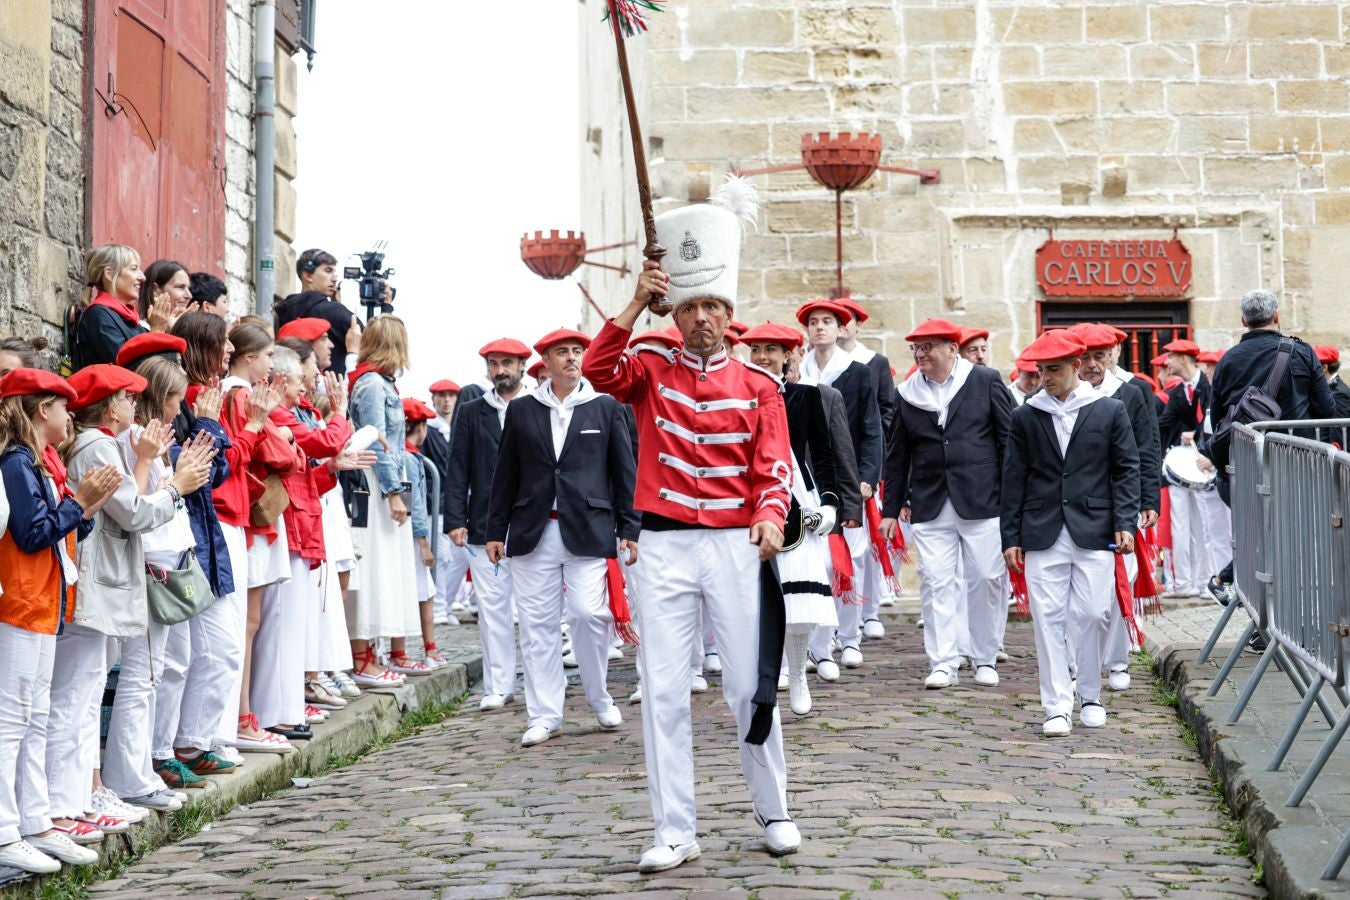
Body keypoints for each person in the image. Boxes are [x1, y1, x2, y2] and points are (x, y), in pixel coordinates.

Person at [582, 175, 799, 873]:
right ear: (675, 314)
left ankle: (774, 809)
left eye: (713, 305)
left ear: (729, 313)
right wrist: (635, 304)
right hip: (665, 546)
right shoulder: (647, 365)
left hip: (736, 546)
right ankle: (674, 828)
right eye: (690, 306)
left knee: (746, 685)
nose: (702, 317)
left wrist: (769, 517)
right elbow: (597, 369)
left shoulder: (760, 386)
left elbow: (774, 467)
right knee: (666, 690)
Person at [53, 364, 211, 826]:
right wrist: (176, 488)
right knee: (78, 696)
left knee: (87, 692)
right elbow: (135, 513)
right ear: (110, 404)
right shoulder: (98, 444)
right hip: (98, 578)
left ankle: (90, 791)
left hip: (104, 576)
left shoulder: (98, 442)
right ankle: (77, 797)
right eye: (126, 397)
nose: (133, 405)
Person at [485, 328, 638, 746]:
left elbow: (624, 472)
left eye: (576, 351)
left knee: (590, 615)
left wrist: (630, 527)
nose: (571, 358)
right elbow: (506, 474)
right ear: (546, 362)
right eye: (561, 353)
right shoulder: (522, 410)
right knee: (537, 626)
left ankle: (599, 695)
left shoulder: (605, 407)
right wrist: (495, 530)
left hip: (588, 528)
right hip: (533, 528)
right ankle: (544, 714)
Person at [0, 369, 120, 873]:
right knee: (12, 720)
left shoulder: (37, 463)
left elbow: (60, 529)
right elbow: (31, 534)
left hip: (44, 601)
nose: (69, 414)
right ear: (38, 410)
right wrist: (79, 503)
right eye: (61, 405)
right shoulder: (16, 463)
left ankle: (34, 820)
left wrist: (83, 506)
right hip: (22, 602)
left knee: (35, 717)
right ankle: (7, 831)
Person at [1001, 330, 1140, 737]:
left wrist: (1124, 522)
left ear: (1077, 367)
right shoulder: (1026, 414)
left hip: (1095, 528)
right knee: (1047, 619)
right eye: (1041, 370)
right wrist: (1010, 536)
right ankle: (1057, 705)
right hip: (1041, 529)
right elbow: (1013, 477)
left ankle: (1091, 694)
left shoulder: (1109, 410)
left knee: (1093, 613)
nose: (1046, 377)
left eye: (1054, 369)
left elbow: (1126, 469)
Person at [111, 358, 223, 796]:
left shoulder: (150, 441)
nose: (180, 407)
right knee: (142, 676)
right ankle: (133, 775)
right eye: (176, 398)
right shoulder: (134, 442)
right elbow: (140, 506)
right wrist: (177, 480)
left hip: (170, 558)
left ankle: (147, 764)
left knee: (160, 671)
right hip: (152, 563)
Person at [880, 319, 1013, 690]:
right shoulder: (906, 393)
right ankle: (943, 660)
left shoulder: (985, 381)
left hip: (983, 499)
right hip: (930, 500)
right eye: (916, 348)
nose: (921, 354)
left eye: (929, 347)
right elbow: (897, 455)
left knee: (986, 578)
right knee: (936, 581)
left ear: (952, 349)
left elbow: (1007, 442)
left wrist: (1011, 497)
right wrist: (890, 509)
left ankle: (984, 657)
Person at [1205, 290, 1337, 596]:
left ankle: (1262, 620)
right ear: (1276, 315)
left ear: (1243, 321)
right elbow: (1327, 410)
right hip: (1296, 463)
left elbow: (1217, 420)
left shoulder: (1227, 360)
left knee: (1258, 542)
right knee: (1295, 544)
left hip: (1246, 464)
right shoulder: (1302, 352)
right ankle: (1287, 621)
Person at [743, 322, 841, 715]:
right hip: (750, 498)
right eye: (756, 349)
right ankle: (770, 672)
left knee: (799, 602)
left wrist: (831, 505)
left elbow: (823, 452)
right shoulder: (739, 395)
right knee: (758, 597)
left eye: (772, 349)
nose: (763, 356)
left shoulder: (805, 396)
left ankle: (798, 672)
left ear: (789, 355)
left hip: (798, 498)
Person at [220, 323, 301, 750]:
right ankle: (242, 715)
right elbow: (277, 454)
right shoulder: (240, 394)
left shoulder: (241, 394)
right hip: (252, 516)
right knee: (247, 624)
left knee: (250, 623)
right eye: (268, 355)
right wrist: (280, 435)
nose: (272, 364)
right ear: (248, 357)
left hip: (253, 516)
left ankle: (244, 713)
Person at [1070, 323, 1161, 693]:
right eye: (1085, 357)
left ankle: (1118, 660)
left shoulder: (1132, 391)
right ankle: (1077, 660)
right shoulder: (1065, 395)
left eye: (1099, 356)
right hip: (1076, 503)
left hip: (1121, 500)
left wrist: (1148, 498)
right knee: (1078, 593)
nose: (1092, 364)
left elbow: (1146, 446)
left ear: (1111, 356)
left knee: (1120, 583)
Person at [445, 337, 532, 710]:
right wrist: (455, 518)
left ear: (522, 366)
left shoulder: (538, 406)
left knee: (535, 612)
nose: (501, 370)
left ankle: (541, 685)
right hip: (483, 525)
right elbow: (457, 467)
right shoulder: (470, 412)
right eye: (494, 364)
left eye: (507, 363)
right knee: (493, 609)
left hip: (532, 525)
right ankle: (499, 684)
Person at [797, 298, 881, 675]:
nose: (820, 328)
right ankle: (821, 642)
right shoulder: (799, 373)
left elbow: (870, 428)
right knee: (820, 562)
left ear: (840, 327)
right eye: (813, 322)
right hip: (810, 477)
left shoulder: (858, 372)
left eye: (827, 321)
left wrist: (866, 474)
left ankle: (850, 637)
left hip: (848, 477)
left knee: (852, 559)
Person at [347, 315, 418, 687]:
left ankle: (369, 652)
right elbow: (375, 438)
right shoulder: (374, 385)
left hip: (382, 480)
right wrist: (393, 492)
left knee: (383, 569)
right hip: (376, 483)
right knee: (375, 568)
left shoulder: (375, 382)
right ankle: (364, 656)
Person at [833, 295, 897, 634]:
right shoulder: (817, 363)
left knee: (870, 540)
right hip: (832, 463)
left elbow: (884, 412)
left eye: (848, 319)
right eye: (834, 319)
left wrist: (874, 464)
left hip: (866, 461)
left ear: (857, 325)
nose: (842, 325)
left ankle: (869, 611)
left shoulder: (873, 362)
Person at [1156, 338, 1213, 598]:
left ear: (1183, 359)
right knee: (1180, 525)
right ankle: (1183, 583)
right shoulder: (1179, 393)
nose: (1166, 363)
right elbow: (1163, 424)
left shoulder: (1210, 386)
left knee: (1205, 526)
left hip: (1207, 465)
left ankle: (1205, 582)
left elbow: (1218, 419)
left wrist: (1199, 436)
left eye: (1170, 357)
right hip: (1182, 467)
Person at [401, 398, 447, 669]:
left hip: (405, 533)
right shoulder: (411, 458)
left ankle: (426, 649)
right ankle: (428, 649)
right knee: (424, 593)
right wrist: (423, 541)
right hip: (410, 536)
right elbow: (414, 502)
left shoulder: (405, 456)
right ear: (419, 427)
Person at [273, 249, 360, 375]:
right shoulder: (333, 311)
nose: (335, 278)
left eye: (335, 272)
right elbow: (374, 342)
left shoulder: (284, 310)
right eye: (328, 271)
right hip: (334, 386)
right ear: (308, 275)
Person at [423, 379, 466, 623]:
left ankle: (445, 605)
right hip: (436, 503)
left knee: (458, 559)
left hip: (457, 503)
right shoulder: (429, 430)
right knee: (441, 557)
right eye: (442, 395)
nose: (447, 400)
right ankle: (438, 608)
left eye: (451, 395)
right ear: (434, 399)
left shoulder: (460, 428)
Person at [71, 244, 149, 371]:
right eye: (134, 269)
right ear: (110, 274)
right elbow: (131, 369)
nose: (142, 277)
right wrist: (157, 332)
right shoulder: (98, 315)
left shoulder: (129, 319)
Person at [136, 260, 192, 333]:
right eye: (180, 287)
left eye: (189, 288)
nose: (189, 296)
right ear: (155, 289)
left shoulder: (188, 329)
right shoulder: (138, 331)